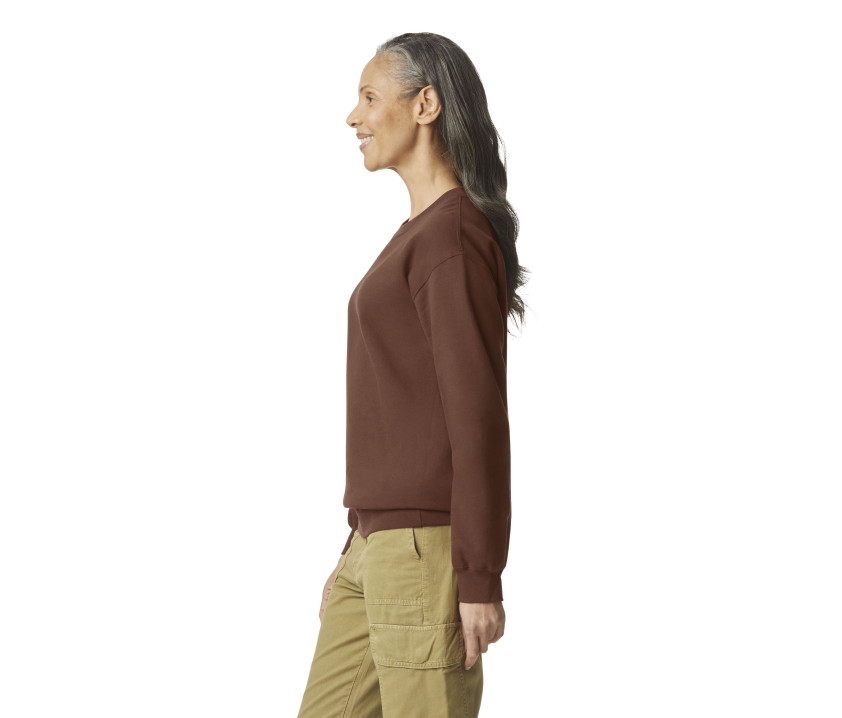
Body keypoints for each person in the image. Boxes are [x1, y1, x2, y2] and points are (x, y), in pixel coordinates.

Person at [297, 32, 528, 718]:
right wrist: (359, 539)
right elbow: (407, 411)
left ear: (424, 105)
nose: (354, 117)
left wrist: (479, 576)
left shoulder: (452, 237)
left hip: (426, 552)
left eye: (370, 98)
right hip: (379, 544)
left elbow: (475, 417)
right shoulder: (420, 235)